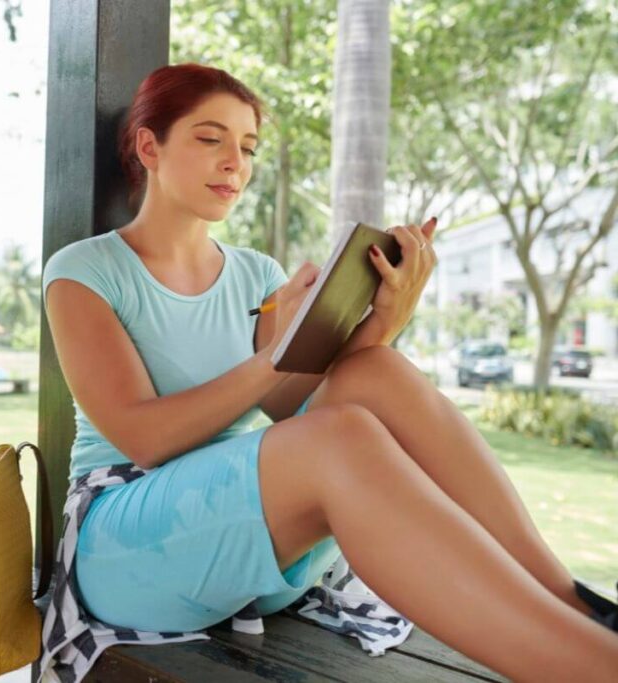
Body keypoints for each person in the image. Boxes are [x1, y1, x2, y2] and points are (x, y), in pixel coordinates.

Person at [40, 63, 618, 682]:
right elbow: (143, 438)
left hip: (246, 533)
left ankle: (564, 597)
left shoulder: (254, 273)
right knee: (341, 435)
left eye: (248, 147)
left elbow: (295, 403)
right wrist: (275, 353)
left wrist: (384, 322)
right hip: (128, 544)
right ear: (149, 145)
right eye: (211, 139)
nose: (235, 162)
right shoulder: (84, 271)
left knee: (375, 374)